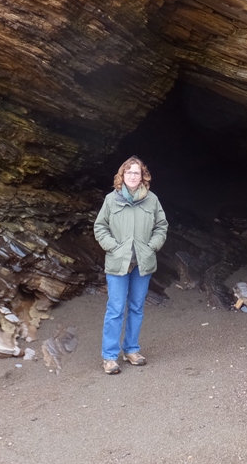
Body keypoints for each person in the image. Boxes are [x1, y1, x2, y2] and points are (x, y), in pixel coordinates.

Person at [93, 156, 169, 375]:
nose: (133, 176)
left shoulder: (152, 200)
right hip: (118, 263)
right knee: (115, 309)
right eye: (129, 173)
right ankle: (109, 356)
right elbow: (100, 227)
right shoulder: (111, 199)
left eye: (137, 173)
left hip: (142, 263)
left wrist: (152, 246)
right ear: (122, 176)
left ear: (142, 175)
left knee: (136, 307)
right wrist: (112, 247)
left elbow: (161, 226)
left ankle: (131, 350)